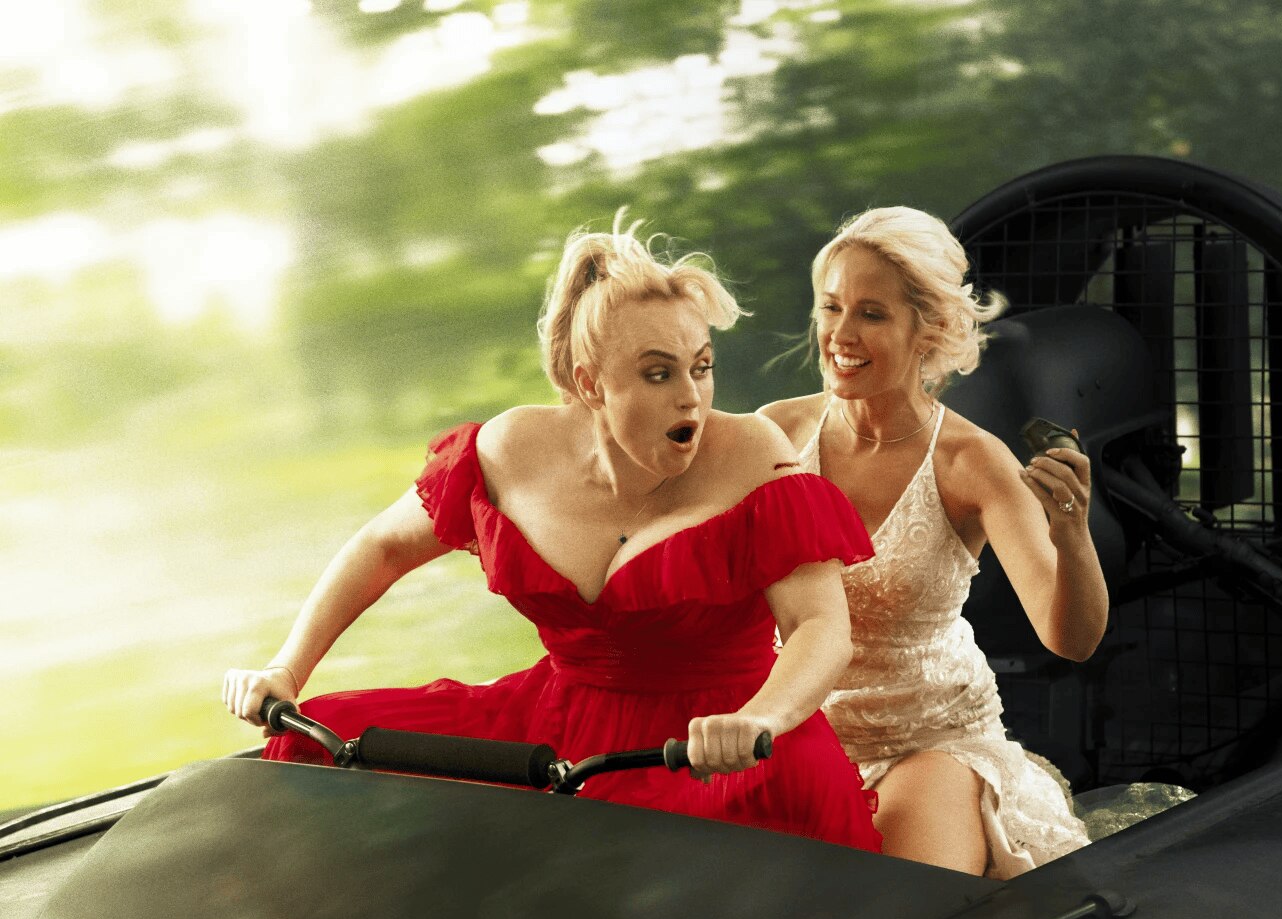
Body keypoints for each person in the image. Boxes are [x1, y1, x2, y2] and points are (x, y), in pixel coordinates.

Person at [223, 217, 881, 852]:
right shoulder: (511, 449)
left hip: (720, 748)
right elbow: (385, 547)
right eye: (659, 373)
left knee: (620, 860)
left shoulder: (754, 456)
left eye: (700, 366)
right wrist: (286, 667)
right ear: (592, 385)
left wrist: (760, 719)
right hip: (556, 722)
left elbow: (821, 629)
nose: (692, 397)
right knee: (318, 744)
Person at [759, 206, 1101, 876]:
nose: (840, 334)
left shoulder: (972, 461)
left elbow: (1071, 639)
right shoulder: (772, 436)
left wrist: (1074, 535)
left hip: (931, 746)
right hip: (792, 738)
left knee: (905, 908)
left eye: (872, 314)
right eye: (831, 308)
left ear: (930, 329)